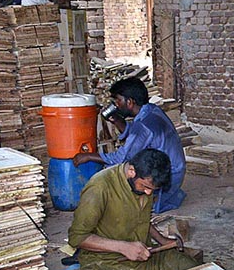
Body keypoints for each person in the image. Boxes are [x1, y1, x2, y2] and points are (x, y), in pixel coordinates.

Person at [68, 149, 197, 270]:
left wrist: (163, 241)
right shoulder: (100, 187)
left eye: (153, 189)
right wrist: (123, 247)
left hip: (146, 257)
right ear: (131, 171)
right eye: (145, 187)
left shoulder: (143, 186)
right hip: (107, 264)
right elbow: (77, 237)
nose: (149, 193)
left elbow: (142, 218)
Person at [73, 77, 186, 213]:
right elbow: (137, 134)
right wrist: (116, 120)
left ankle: (150, 201)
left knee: (117, 171)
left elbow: (120, 158)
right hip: (177, 169)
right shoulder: (152, 110)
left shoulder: (143, 127)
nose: (116, 105)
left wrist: (89, 156)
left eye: (118, 101)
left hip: (168, 178)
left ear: (130, 102)